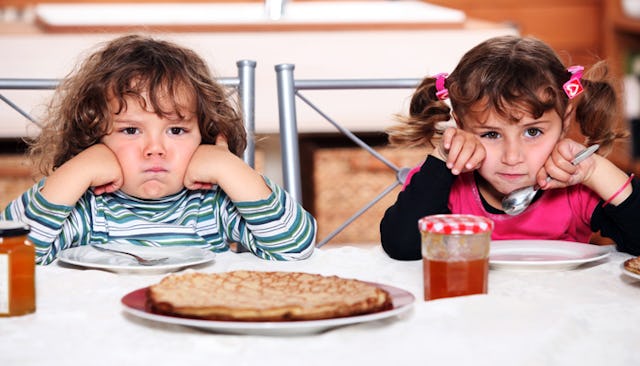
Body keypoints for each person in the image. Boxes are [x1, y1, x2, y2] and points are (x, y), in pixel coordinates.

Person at [1, 34, 316, 264]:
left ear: (204, 137)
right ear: (95, 138)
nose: (155, 149)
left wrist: (228, 167)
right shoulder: (89, 210)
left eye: (177, 130)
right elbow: (10, 257)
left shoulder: (212, 206)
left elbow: (296, 247)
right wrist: (80, 169)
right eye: (131, 130)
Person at [380, 35, 640, 260]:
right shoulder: (446, 186)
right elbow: (402, 247)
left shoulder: (576, 189)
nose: (512, 157)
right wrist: (443, 158)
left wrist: (595, 171)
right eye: (491, 134)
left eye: (533, 132)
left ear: (565, 121)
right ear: (460, 126)